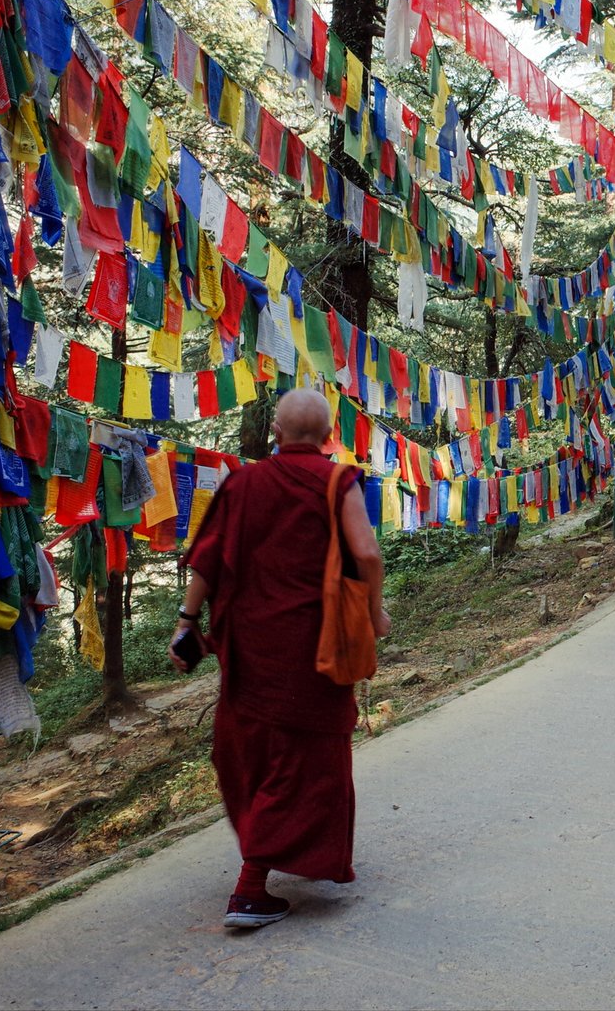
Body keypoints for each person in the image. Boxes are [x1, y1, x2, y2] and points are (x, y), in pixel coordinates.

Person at [170, 388, 390, 931]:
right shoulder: (338, 480)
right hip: (314, 645)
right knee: (301, 763)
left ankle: (282, 861)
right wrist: (375, 612)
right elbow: (366, 552)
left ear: (276, 431)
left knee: (255, 753)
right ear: (326, 433)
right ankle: (249, 891)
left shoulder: (243, 482)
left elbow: (208, 559)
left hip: (249, 646)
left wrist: (186, 622)